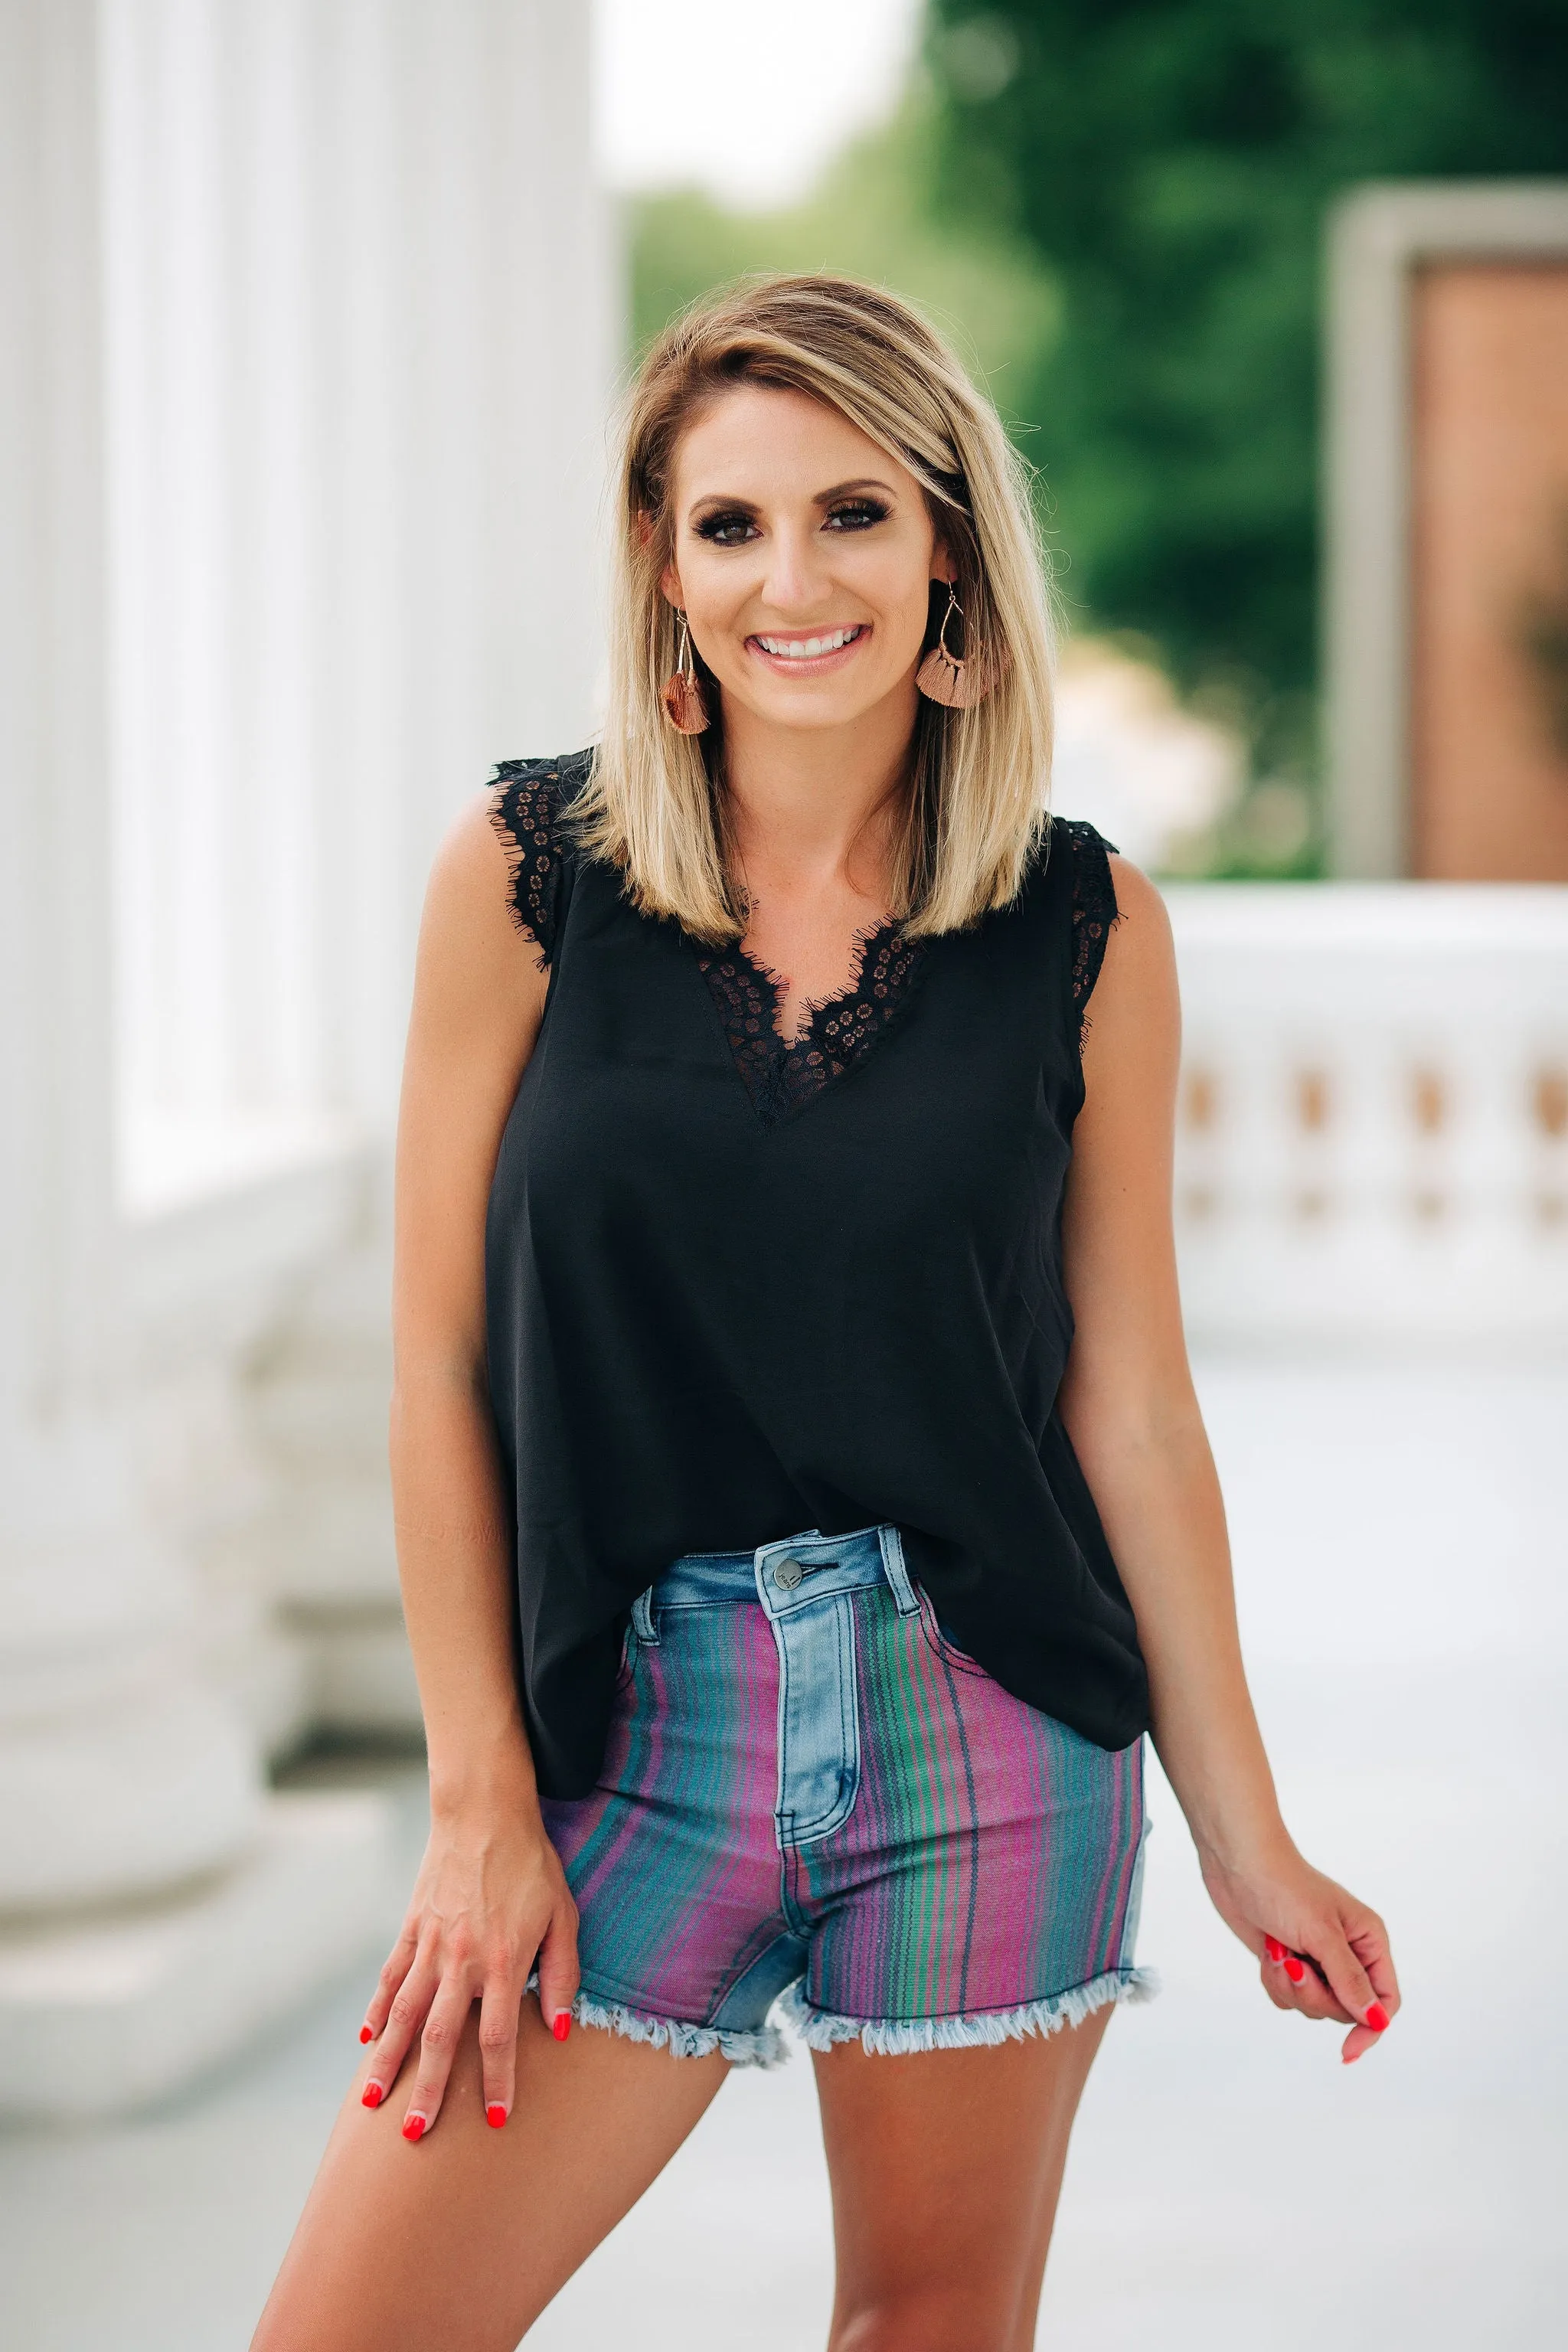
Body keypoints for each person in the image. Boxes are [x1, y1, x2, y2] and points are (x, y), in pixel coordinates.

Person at [252, 274, 1398, 2352]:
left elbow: (1127, 1400)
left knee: (929, 2333)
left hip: (993, 1723)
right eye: (732, 524)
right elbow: (429, 1367)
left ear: (951, 544)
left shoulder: (1083, 924)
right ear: (661, 565)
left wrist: (1252, 1838)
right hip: (630, 1722)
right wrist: (477, 1804)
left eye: (854, 513)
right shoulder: (525, 880)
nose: (794, 577)